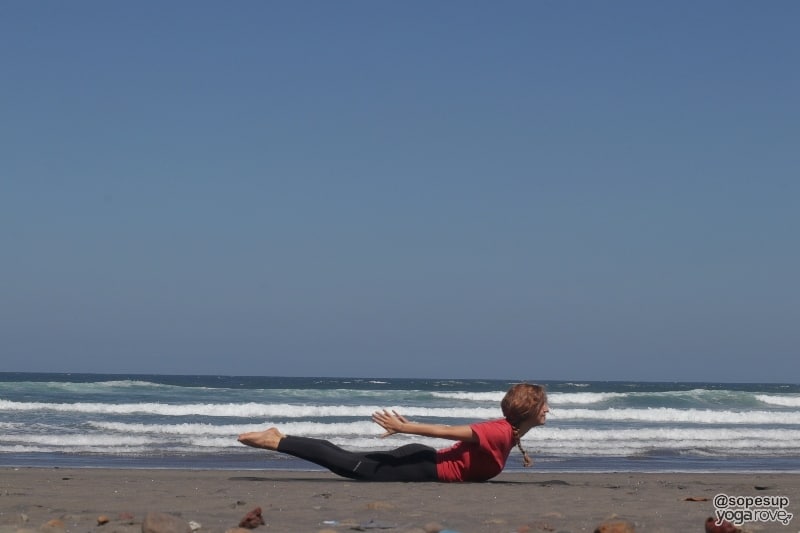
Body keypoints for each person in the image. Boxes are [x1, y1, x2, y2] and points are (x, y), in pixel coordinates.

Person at [237, 382, 548, 482]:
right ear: (529, 410)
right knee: (348, 465)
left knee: (347, 460)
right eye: (544, 406)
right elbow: (446, 430)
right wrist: (404, 426)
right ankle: (277, 440)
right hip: (420, 465)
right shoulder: (499, 432)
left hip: (423, 463)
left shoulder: (510, 433)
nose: (548, 411)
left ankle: (279, 437)